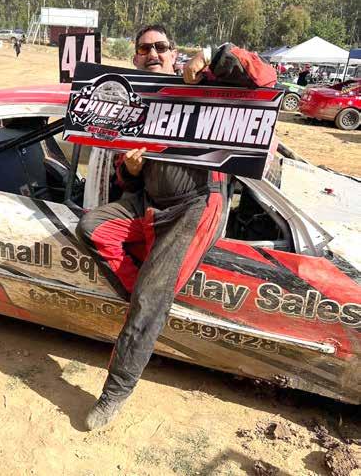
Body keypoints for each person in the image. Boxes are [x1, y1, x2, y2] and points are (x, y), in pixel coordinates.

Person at [76, 25, 276, 431]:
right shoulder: (135, 101)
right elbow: (125, 178)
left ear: (173, 53)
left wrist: (213, 55)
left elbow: (264, 79)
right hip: (149, 204)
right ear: (135, 58)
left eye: (160, 47)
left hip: (195, 208)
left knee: (151, 298)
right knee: (92, 227)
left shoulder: (207, 81)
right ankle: (147, 298)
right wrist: (132, 170)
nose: (152, 53)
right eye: (144, 48)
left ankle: (115, 392)